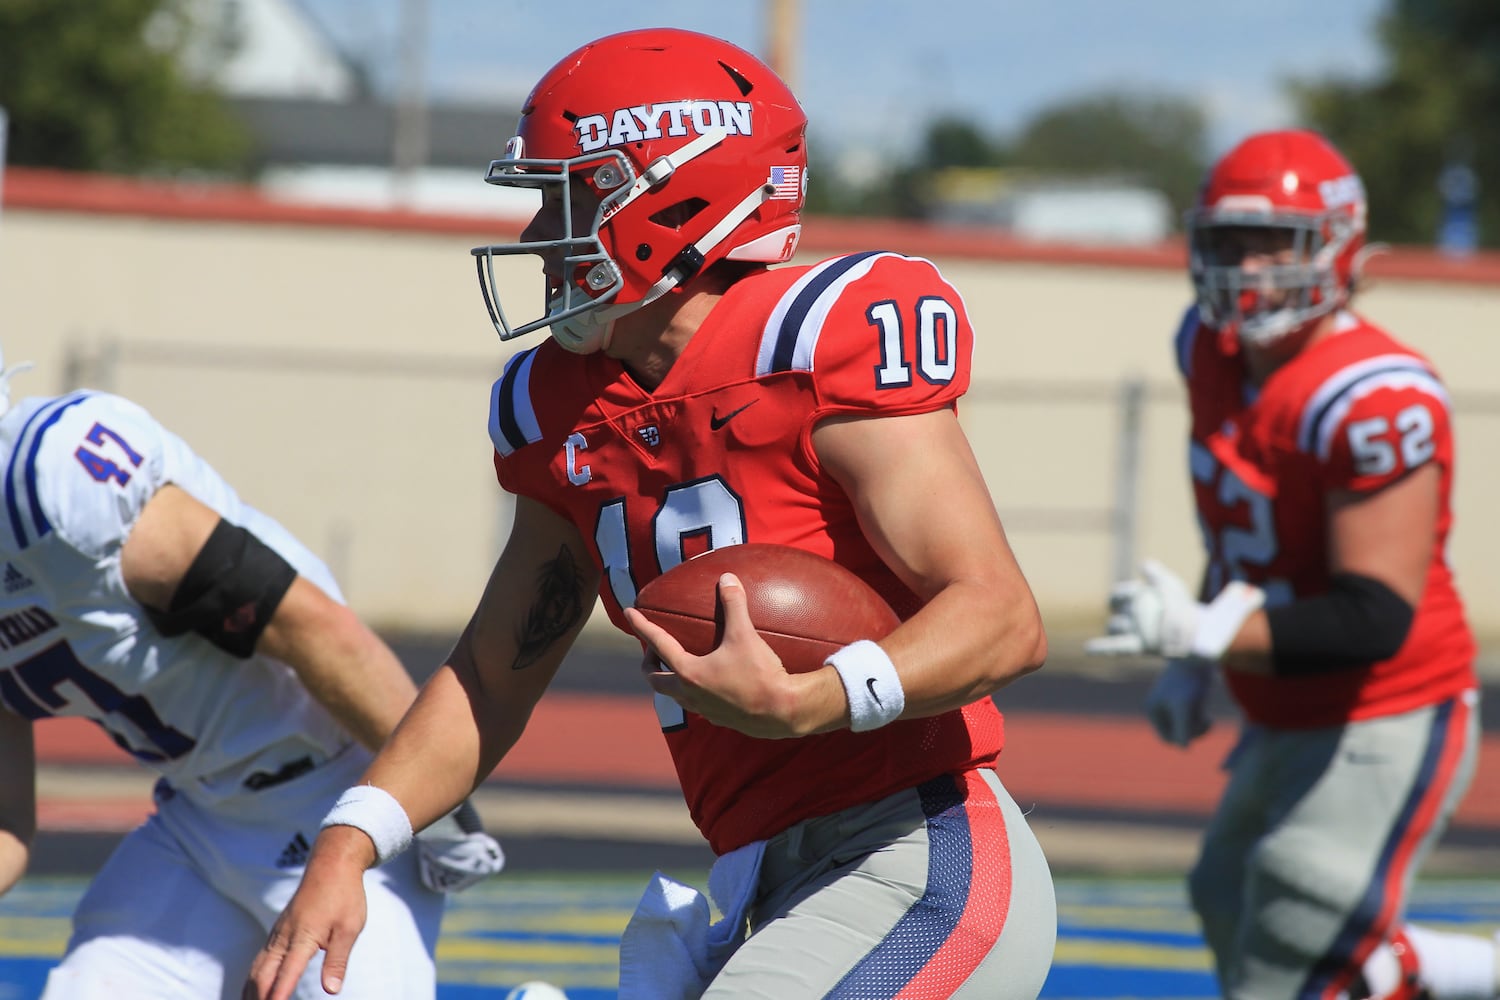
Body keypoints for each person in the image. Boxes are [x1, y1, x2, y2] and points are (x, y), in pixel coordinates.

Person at [248, 26, 1056, 1000]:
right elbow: (491, 677)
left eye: (571, 195)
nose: (543, 231)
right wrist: (350, 839)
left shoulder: (817, 338)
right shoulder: (559, 405)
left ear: (677, 195)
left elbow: (1002, 614)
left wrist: (817, 697)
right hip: (764, 869)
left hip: (918, 847)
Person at [1087, 128, 1500, 1000]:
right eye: (1228, 242)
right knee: (1228, 897)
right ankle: (1409, 969)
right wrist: (1199, 654)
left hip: (1387, 705)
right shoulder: (1208, 350)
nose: (1247, 266)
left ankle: (1410, 966)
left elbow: (1373, 616)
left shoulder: (1373, 394)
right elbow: (1245, 531)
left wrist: (1206, 633)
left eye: (1275, 239)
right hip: (1286, 702)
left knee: (1293, 933)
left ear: (1341, 247)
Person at [0, 360, 505, 999]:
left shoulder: (57, 488)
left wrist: (425, 804)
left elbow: (316, 630)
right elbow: (7, 820)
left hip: (334, 801)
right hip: (199, 820)